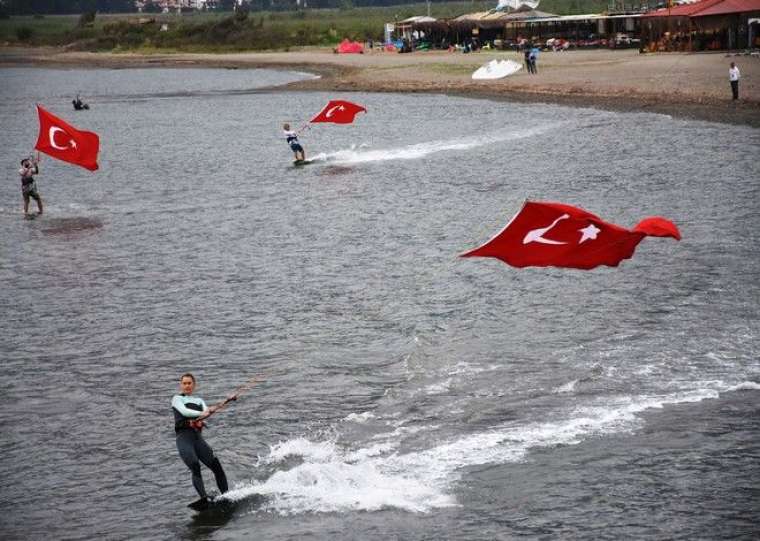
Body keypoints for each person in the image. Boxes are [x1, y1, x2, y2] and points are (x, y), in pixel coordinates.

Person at [172, 373, 231, 509]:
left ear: (194, 385)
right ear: (181, 385)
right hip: (184, 439)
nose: (187, 386)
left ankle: (226, 496)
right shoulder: (176, 399)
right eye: (184, 383)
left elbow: (206, 411)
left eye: (189, 383)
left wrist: (220, 404)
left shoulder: (199, 401)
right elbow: (185, 412)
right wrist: (203, 413)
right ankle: (204, 498)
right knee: (194, 464)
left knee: (217, 467)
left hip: (197, 439)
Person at [19, 153, 43, 217]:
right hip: (25, 188)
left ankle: (41, 211)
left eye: (27, 161)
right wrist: (28, 167)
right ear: (23, 164)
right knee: (27, 201)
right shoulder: (20, 170)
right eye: (25, 162)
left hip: (32, 187)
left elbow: (37, 172)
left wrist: (36, 165)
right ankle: (26, 213)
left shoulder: (31, 169)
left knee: (38, 199)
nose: (27, 162)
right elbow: (23, 173)